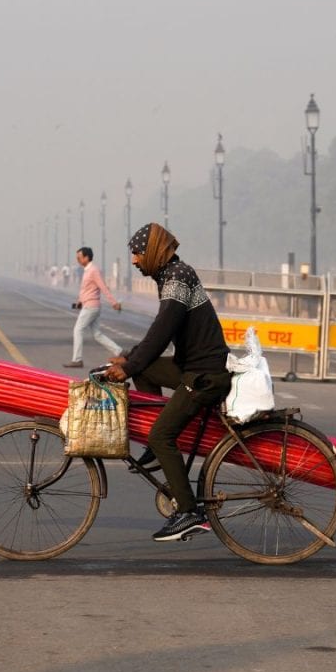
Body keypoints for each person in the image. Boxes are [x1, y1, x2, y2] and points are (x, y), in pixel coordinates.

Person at [103, 223, 232, 542]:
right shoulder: (171, 275)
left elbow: (161, 333)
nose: (134, 261)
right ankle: (154, 447)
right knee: (146, 372)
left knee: (162, 435)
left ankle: (189, 512)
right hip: (191, 366)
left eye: (137, 253)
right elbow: (158, 332)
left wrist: (129, 366)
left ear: (155, 251)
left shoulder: (177, 279)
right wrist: (132, 360)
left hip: (204, 375)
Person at [63, 247, 122, 368]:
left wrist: (113, 302)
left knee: (78, 330)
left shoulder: (93, 270)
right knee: (97, 334)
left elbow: (103, 287)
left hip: (91, 306)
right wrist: (79, 302)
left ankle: (77, 359)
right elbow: (85, 290)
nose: (78, 260)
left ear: (86, 257)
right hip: (89, 305)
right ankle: (119, 351)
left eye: (79, 257)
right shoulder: (87, 270)